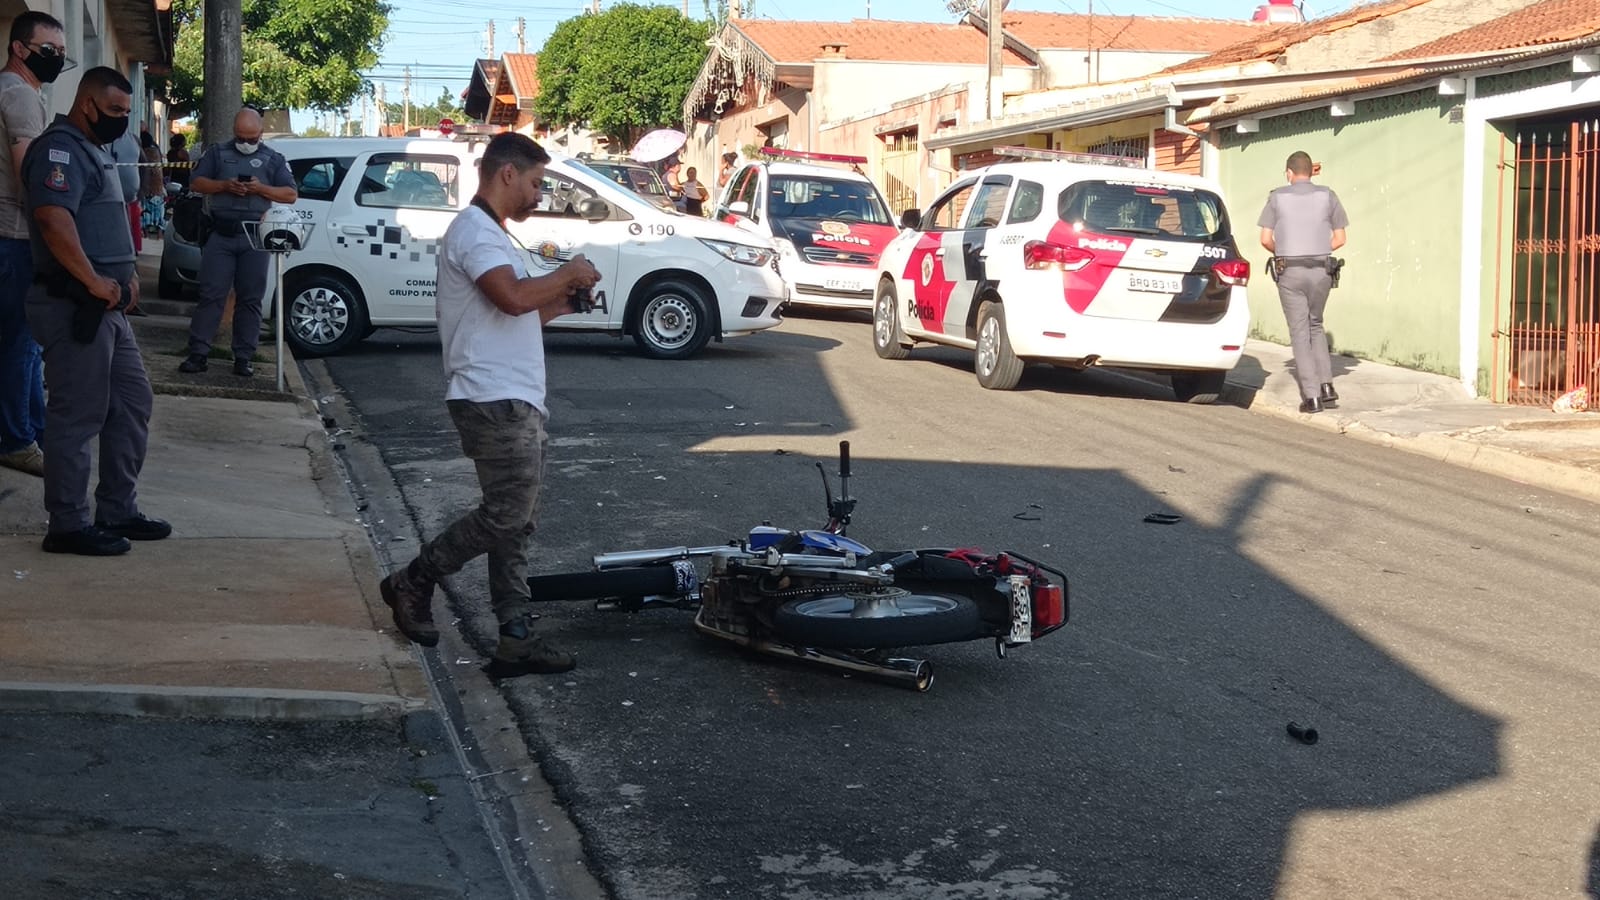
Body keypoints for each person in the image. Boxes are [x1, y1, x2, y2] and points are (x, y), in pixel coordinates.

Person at [380, 131, 601, 676]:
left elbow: (517, 313)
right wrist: (566, 272)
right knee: (506, 515)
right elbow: (512, 297)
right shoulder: (476, 232)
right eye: (536, 183)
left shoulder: (492, 234)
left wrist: (566, 302)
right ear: (507, 174)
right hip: (492, 397)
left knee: (517, 522)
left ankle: (515, 637)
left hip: (512, 396)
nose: (539, 194)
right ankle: (414, 579)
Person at [21, 67, 170, 556]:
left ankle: (117, 510)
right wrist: (92, 279)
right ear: (86, 104)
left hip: (110, 305)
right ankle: (67, 524)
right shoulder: (58, 150)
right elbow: (53, 219)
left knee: (131, 403)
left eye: (126, 112)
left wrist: (126, 277)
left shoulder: (94, 149)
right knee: (78, 413)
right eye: (113, 111)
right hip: (75, 303)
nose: (121, 120)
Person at [178, 107, 296, 377]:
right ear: (234, 132)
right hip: (221, 234)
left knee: (251, 298)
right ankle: (198, 353)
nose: (245, 143)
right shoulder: (218, 153)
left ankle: (244, 357)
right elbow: (196, 183)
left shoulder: (273, 159)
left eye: (251, 139)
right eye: (240, 138)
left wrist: (260, 189)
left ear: (261, 133)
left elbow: (290, 194)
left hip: (254, 238)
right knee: (211, 294)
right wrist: (224, 186)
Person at [0, 10, 64, 479]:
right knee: (21, 345)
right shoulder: (21, 96)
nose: (55, 58)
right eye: (48, 50)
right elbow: (31, 176)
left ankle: (32, 431)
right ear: (19, 49)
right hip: (17, 235)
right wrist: (56, 232)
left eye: (61, 52)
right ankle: (18, 440)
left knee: (16, 342)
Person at [1258, 150, 1348, 414]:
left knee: (1299, 331)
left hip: (1291, 271)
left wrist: (1286, 252)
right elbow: (1340, 239)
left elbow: (1265, 239)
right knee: (1315, 324)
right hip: (1322, 270)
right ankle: (1327, 387)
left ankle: (1312, 397)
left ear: (1289, 173)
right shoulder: (1328, 195)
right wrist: (1316, 250)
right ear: (1311, 172)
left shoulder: (1277, 197)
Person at [106, 127, 141, 253]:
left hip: (131, 199)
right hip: (111, 199)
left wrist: (142, 190)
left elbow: (143, 163)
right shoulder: (105, 140)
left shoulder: (134, 139)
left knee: (129, 233)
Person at [138, 129, 165, 238]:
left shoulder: (143, 152)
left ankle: (145, 233)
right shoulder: (156, 151)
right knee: (158, 212)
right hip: (158, 186)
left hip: (147, 186)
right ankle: (159, 234)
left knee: (146, 211)